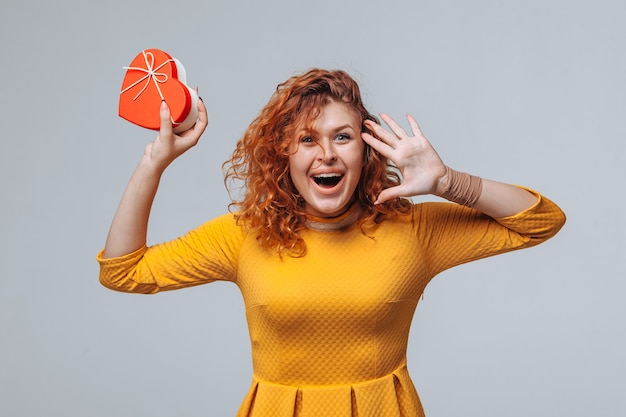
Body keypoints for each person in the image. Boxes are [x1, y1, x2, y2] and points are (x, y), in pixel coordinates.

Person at [98, 68, 566, 417]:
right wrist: (153, 163)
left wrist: (446, 182)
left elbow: (541, 220)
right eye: (306, 139)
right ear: (283, 154)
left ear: (366, 150)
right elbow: (123, 272)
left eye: (342, 136)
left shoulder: (413, 229)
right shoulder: (244, 235)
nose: (326, 154)